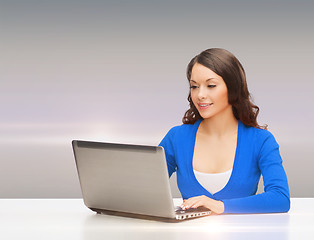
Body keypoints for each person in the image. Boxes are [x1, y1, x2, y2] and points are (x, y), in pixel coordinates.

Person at [158, 48, 290, 214]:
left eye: (211, 85)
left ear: (233, 88)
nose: (200, 95)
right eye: (194, 86)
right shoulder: (176, 137)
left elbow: (280, 198)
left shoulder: (261, 140)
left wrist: (220, 207)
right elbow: (145, 188)